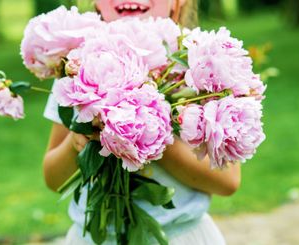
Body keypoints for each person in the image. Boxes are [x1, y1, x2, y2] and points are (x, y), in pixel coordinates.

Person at [42, 0, 241, 244]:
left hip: (179, 236)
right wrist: (76, 143)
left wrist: (147, 134)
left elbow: (227, 182)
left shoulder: (199, 66)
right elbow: (53, 179)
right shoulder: (74, 67)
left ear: (178, 3)